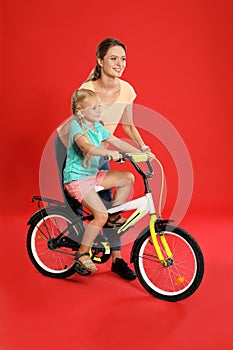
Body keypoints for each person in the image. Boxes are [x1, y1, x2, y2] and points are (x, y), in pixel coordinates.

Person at [57, 37, 154, 279]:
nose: (120, 63)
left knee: (112, 210)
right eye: (113, 58)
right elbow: (83, 132)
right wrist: (105, 151)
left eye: (123, 58)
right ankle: (80, 254)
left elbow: (128, 127)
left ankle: (117, 259)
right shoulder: (88, 90)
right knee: (81, 208)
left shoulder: (127, 90)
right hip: (79, 147)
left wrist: (141, 148)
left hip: (101, 145)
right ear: (100, 61)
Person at [64, 88, 146, 277]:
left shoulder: (98, 127)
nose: (100, 110)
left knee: (127, 178)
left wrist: (141, 153)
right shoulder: (78, 125)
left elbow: (118, 142)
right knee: (99, 216)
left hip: (92, 176)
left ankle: (113, 215)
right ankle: (83, 253)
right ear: (81, 112)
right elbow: (87, 147)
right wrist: (108, 153)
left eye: (100, 106)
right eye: (94, 108)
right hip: (77, 179)